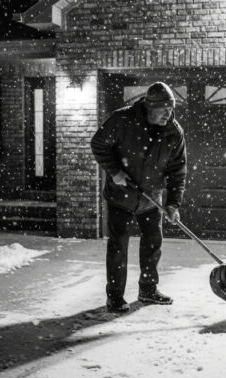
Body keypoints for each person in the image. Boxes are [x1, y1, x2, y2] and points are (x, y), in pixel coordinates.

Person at [90, 82, 187, 313]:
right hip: (120, 196)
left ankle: (148, 290)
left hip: (151, 199)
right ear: (149, 106)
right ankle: (115, 297)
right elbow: (99, 145)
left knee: (153, 245)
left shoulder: (174, 132)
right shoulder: (122, 120)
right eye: (163, 108)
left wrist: (173, 204)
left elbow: (178, 170)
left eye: (170, 108)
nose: (168, 113)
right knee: (118, 247)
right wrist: (115, 172)